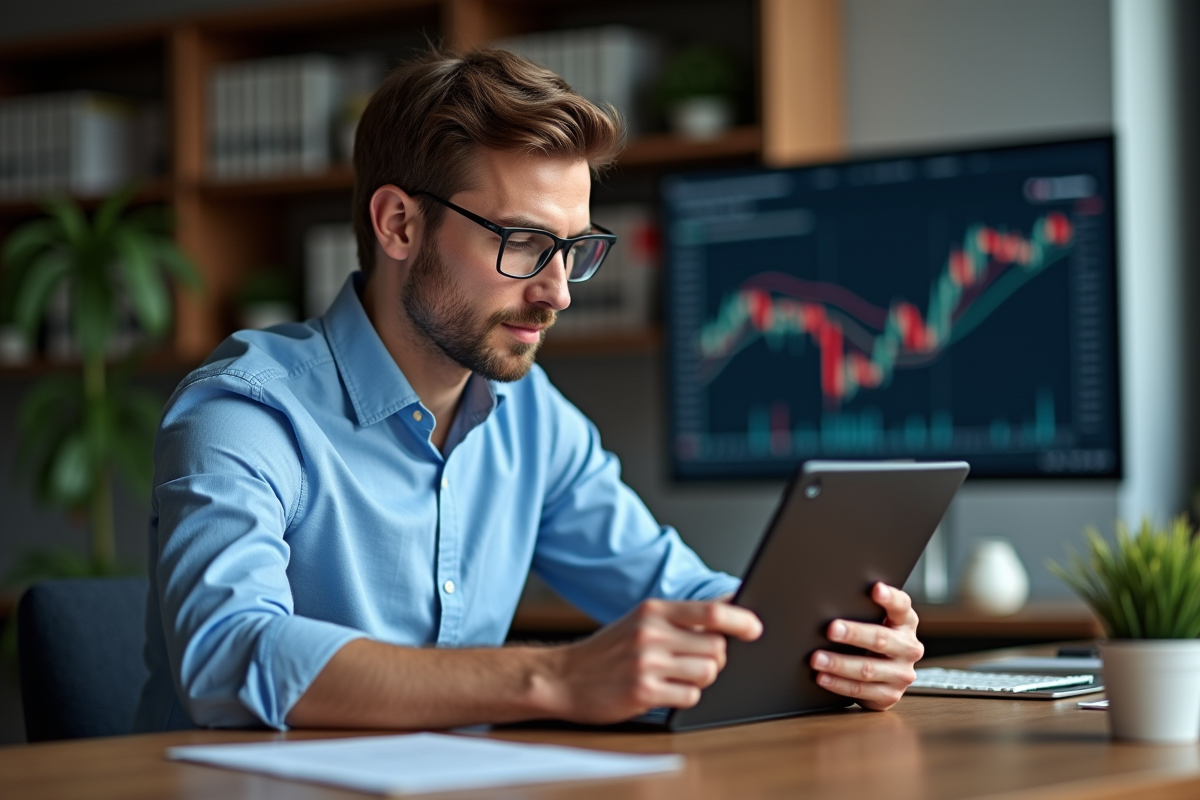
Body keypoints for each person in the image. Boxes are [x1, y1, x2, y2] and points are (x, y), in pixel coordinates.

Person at [133, 49, 923, 733]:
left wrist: (833, 643)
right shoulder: (246, 411)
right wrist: (556, 677)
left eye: (574, 251)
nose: (559, 292)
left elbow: (678, 593)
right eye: (524, 243)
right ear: (400, 226)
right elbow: (227, 654)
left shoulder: (530, 417)